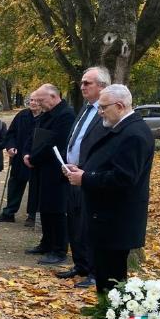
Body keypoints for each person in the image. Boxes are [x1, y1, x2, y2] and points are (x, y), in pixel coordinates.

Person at [64, 84, 154, 293]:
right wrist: (82, 169)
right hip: (105, 217)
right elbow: (106, 162)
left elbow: (123, 179)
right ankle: (105, 316)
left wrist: (85, 178)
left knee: (111, 278)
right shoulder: (121, 128)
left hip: (116, 221)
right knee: (104, 275)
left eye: (103, 107)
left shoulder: (133, 134)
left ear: (120, 106)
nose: (100, 112)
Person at [58, 66, 110, 288]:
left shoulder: (105, 113)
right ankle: (80, 264)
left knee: (89, 224)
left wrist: (85, 169)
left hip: (89, 174)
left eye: (87, 83)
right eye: (81, 83)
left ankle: (94, 270)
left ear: (102, 86)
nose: (82, 87)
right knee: (75, 220)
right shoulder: (85, 109)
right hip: (73, 171)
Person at [23, 84, 75, 265]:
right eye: (36, 100)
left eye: (41, 100)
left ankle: (59, 249)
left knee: (57, 209)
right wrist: (27, 153)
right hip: (42, 166)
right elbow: (35, 135)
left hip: (56, 168)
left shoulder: (66, 115)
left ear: (53, 96)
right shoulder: (46, 114)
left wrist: (34, 157)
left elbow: (54, 142)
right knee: (44, 206)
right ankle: (46, 242)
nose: (38, 104)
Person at [0, 93, 41, 224]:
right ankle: (9, 212)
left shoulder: (46, 117)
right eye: (31, 100)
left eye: (36, 100)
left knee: (35, 187)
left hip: (36, 158)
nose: (33, 102)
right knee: (15, 184)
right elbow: (10, 134)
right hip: (18, 156)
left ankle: (32, 215)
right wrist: (10, 147)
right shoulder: (22, 115)